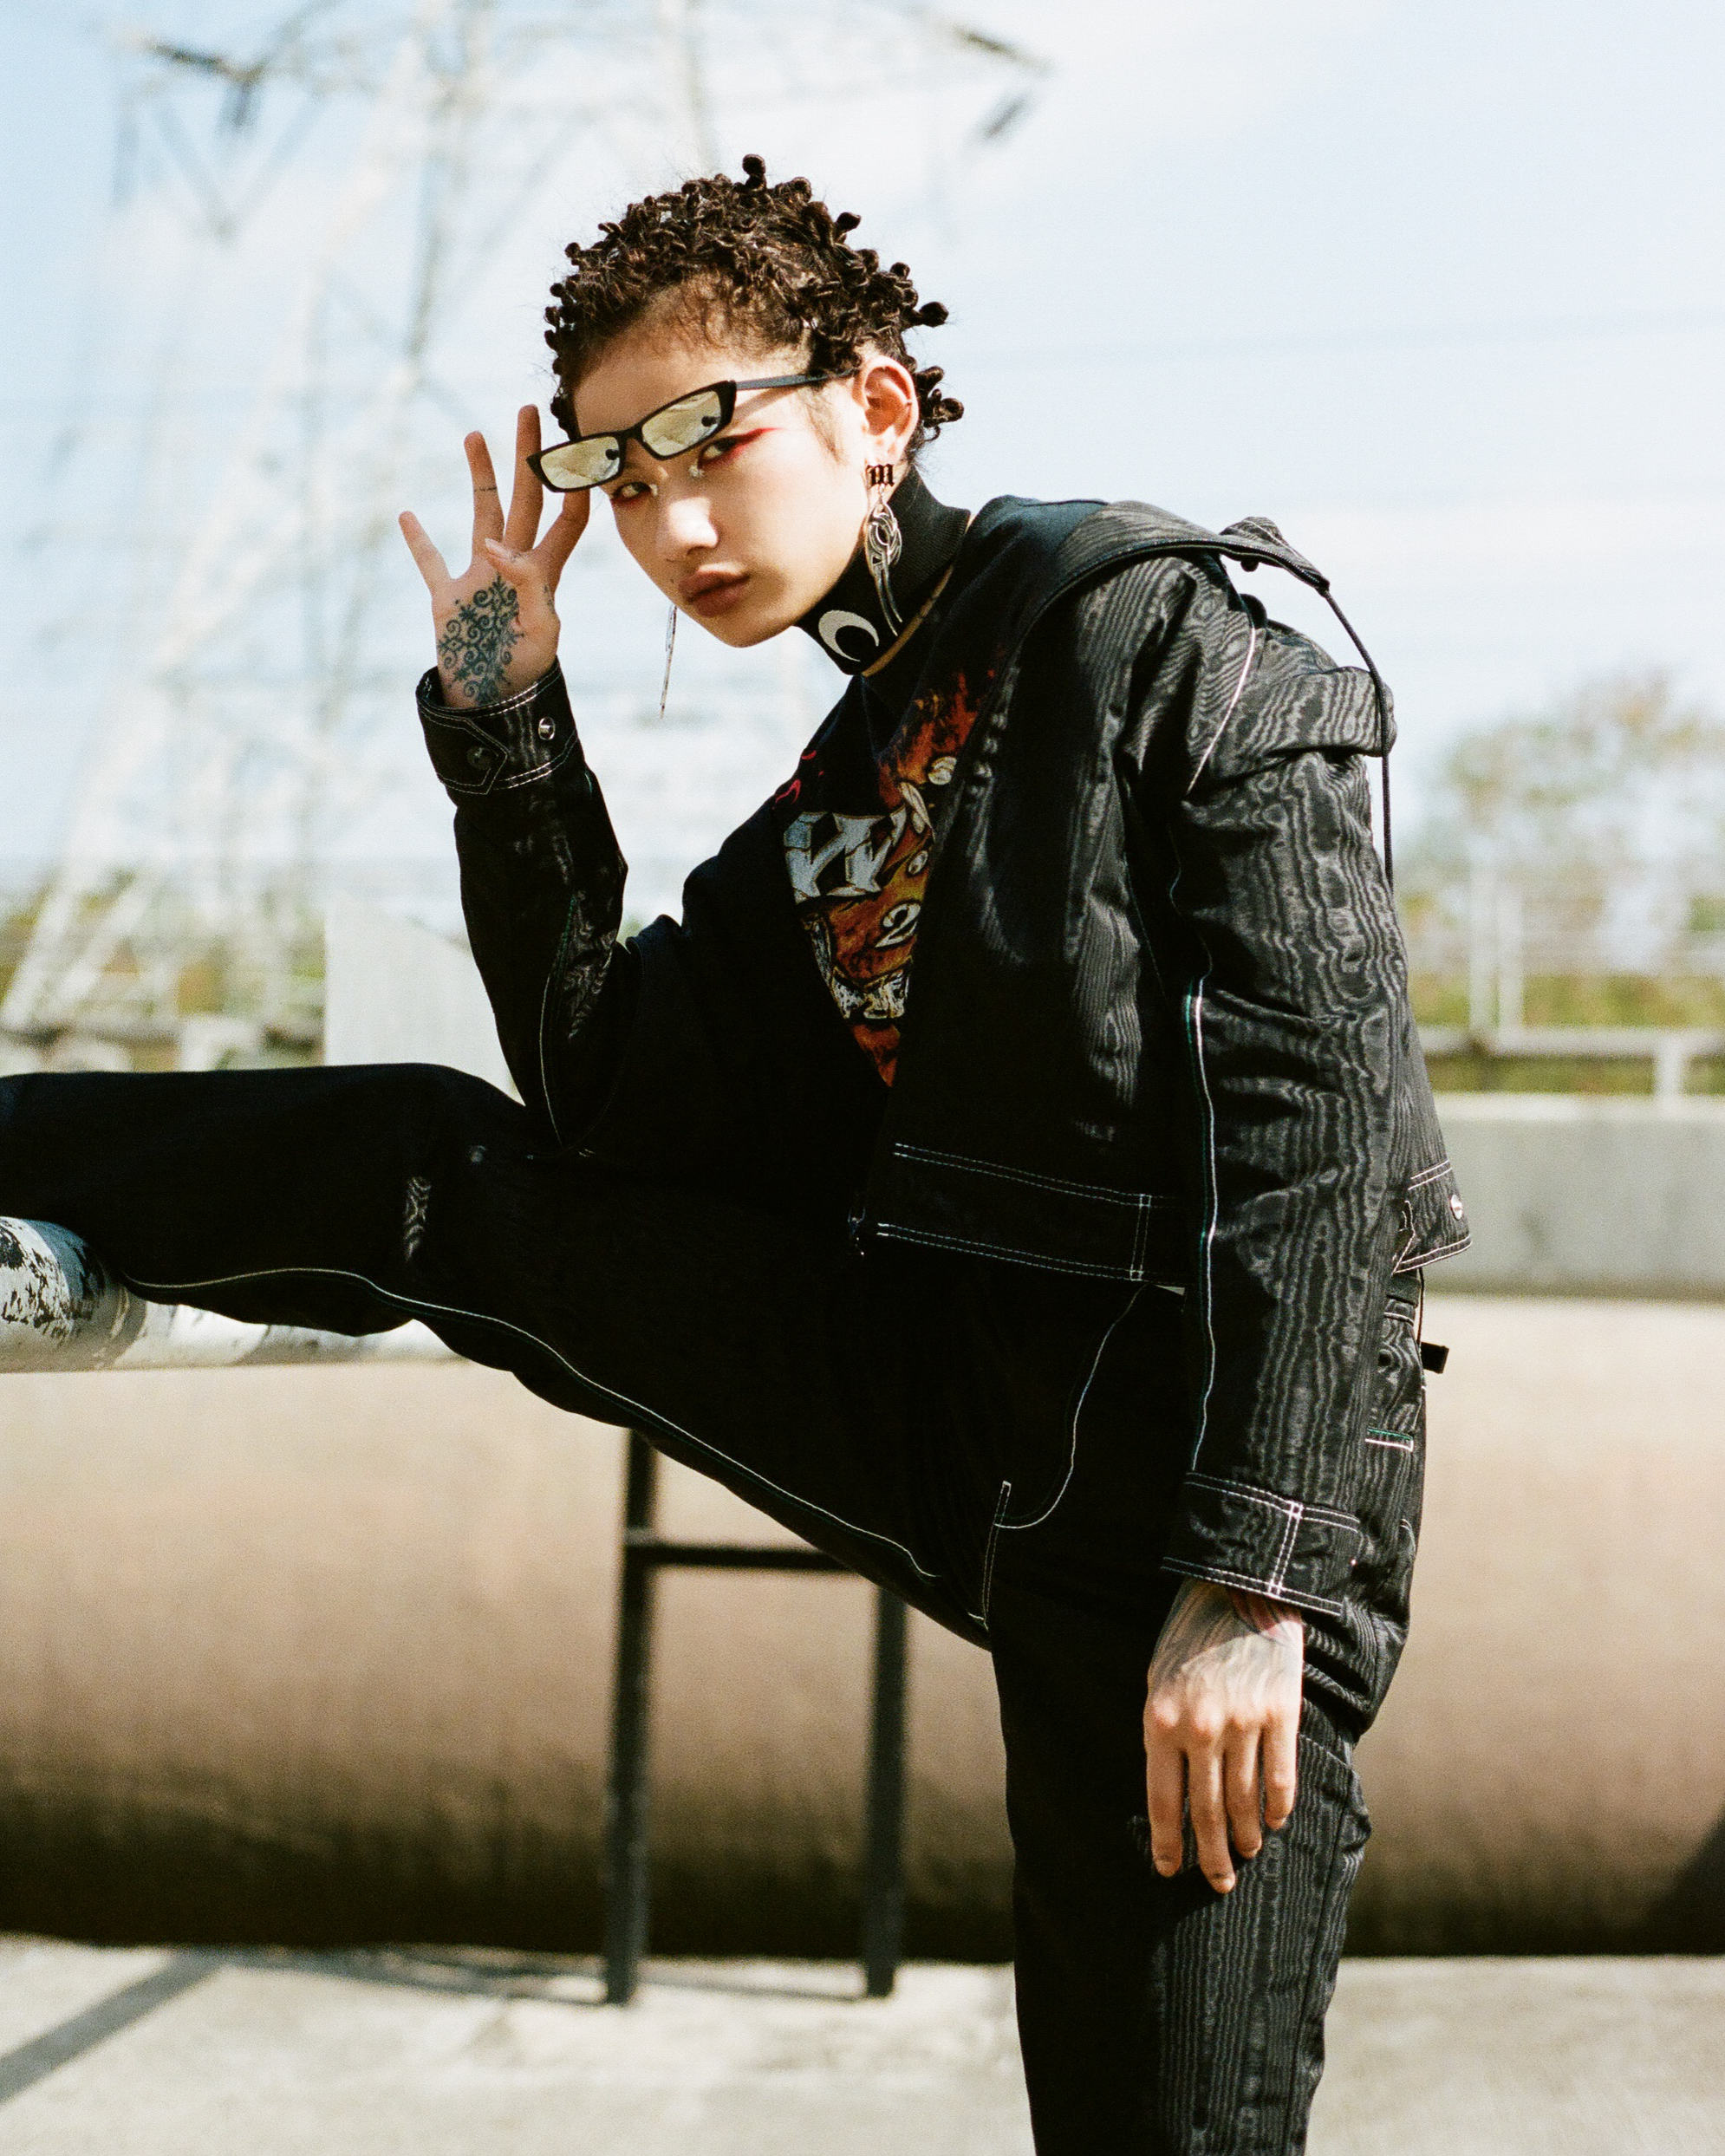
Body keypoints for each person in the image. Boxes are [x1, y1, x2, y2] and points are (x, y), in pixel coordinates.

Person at [0, 157, 1469, 2153]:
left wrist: (1255, 1578)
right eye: (619, 474)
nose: (669, 523)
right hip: (954, 1411)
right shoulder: (844, 788)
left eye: (710, 441)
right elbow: (604, 1099)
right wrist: (508, 725)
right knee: (435, 1162)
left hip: (1183, 1502)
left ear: (876, 407)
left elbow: (1330, 1141)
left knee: (1156, 2122)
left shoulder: (1160, 632)